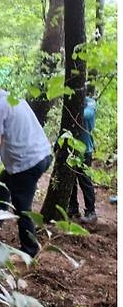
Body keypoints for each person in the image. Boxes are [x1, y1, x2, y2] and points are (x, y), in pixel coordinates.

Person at [0, 77, 52, 257]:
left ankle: (30, 250)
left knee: (22, 206)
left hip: (26, 163)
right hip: (42, 154)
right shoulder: (13, 98)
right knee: (3, 184)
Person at [68, 86, 97, 223]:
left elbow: (87, 115)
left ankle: (91, 211)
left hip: (85, 149)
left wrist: (73, 111)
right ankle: (73, 208)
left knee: (84, 180)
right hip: (70, 147)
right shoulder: (71, 102)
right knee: (70, 180)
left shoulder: (90, 102)